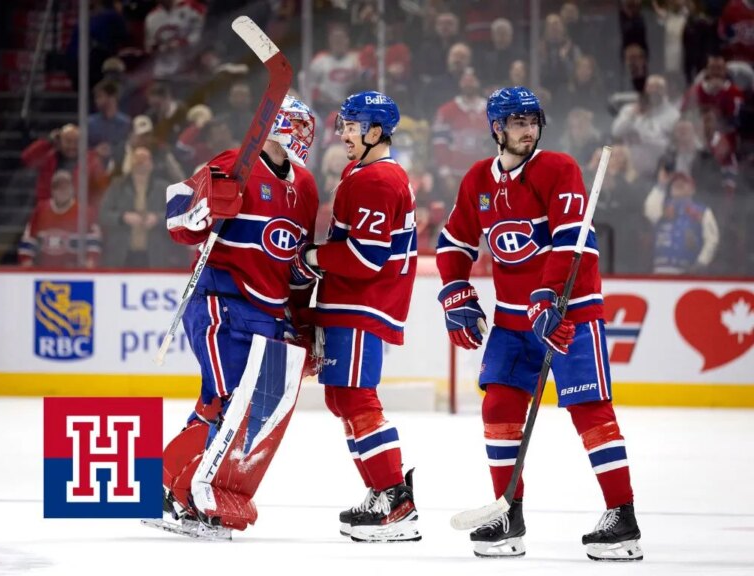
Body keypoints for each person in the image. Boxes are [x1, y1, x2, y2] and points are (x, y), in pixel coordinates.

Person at [435, 86, 643, 561]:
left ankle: (622, 517)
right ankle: (508, 516)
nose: (527, 130)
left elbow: (573, 239)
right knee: (498, 409)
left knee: (589, 409)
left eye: (532, 121)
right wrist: (455, 293)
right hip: (513, 323)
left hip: (570, 310)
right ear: (496, 129)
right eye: (516, 122)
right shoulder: (477, 181)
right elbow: (453, 244)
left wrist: (549, 297)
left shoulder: (559, 169)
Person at [155, 95, 320, 538]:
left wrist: (303, 318)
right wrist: (204, 209)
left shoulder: (306, 186)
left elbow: (290, 261)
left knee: (223, 403)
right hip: (220, 300)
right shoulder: (234, 162)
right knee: (234, 400)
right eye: (298, 124)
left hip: (269, 313)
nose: (306, 134)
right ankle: (196, 496)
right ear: (275, 125)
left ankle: (171, 479)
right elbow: (177, 217)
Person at [291, 91, 420, 543]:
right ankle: (380, 492)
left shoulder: (376, 181)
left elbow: (365, 259)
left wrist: (310, 256)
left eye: (351, 126)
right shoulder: (363, 173)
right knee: (342, 398)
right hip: (352, 303)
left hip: (363, 304)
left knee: (358, 398)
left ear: (375, 131)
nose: (343, 133)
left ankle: (394, 500)